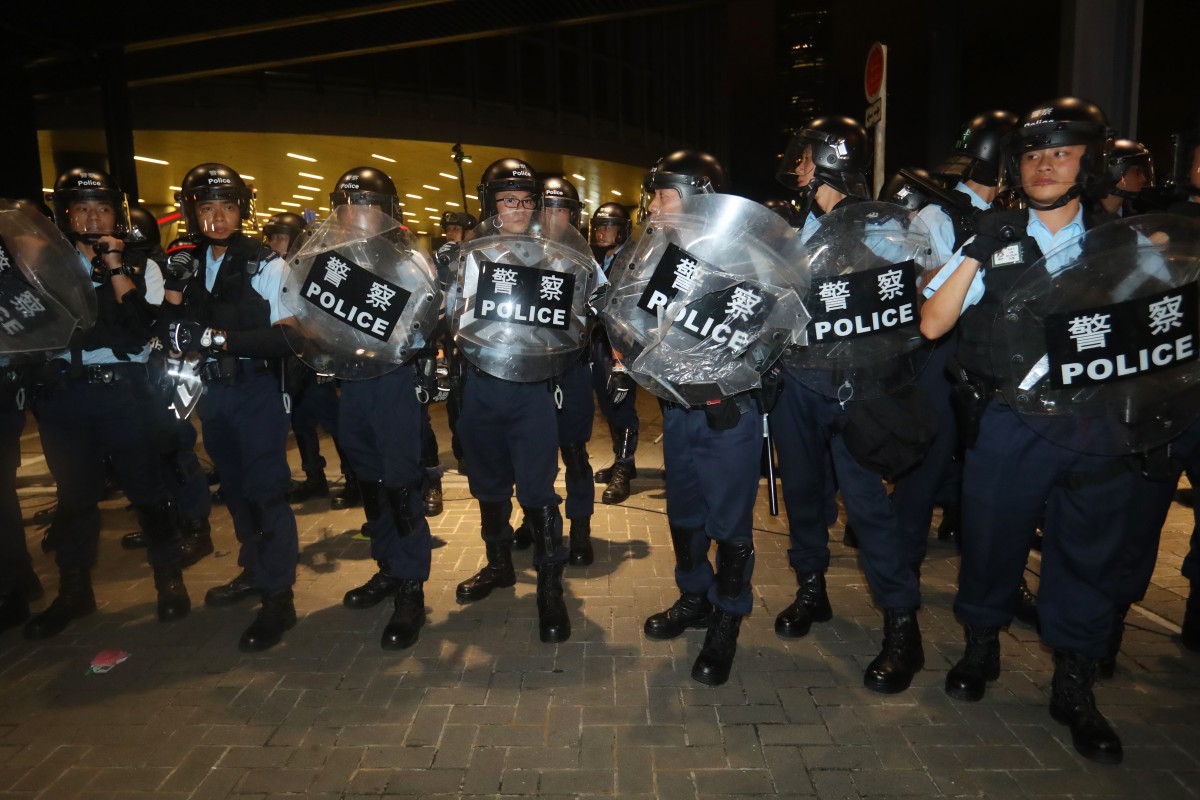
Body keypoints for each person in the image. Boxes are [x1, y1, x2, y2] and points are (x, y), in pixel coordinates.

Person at [921, 98, 1134, 764]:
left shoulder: (1122, 243)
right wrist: (976, 249)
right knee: (990, 542)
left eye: (1062, 152)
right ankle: (981, 648)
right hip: (1010, 419)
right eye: (1034, 154)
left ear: (1090, 163)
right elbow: (933, 324)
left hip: (1094, 425)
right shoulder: (995, 235)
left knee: (1088, 554)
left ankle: (1074, 684)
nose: (1045, 166)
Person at [770, 117, 931, 695]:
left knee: (867, 506)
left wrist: (846, 215)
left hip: (857, 389)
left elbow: (920, 273)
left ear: (829, 161)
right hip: (796, 387)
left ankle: (901, 624)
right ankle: (812, 590)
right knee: (804, 497)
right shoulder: (788, 226)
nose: (798, 169)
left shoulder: (888, 223)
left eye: (806, 160)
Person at [24, 168, 190, 639]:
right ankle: (75, 590)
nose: (93, 218)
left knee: (147, 489)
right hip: (63, 395)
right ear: (65, 215)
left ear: (117, 214)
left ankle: (168, 576)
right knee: (74, 497)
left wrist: (116, 266)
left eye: (103, 208)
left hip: (126, 391)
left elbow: (145, 328)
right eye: (81, 208)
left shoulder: (142, 265)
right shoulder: (43, 265)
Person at [631, 149, 764, 687]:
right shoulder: (661, 254)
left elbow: (767, 332)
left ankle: (728, 616)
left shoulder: (744, 255)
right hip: (677, 406)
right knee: (684, 514)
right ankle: (695, 597)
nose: (655, 205)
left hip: (727, 411)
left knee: (728, 523)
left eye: (665, 194)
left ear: (699, 194)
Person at [163, 162, 300, 652]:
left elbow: (289, 338)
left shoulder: (266, 263)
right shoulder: (187, 260)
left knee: (267, 493)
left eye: (227, 207)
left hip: (255, 392)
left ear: (242, 210)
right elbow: (171, 328)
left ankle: (279, 596)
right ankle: (252, 569)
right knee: (237, 492)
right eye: (206, 208)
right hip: (211, 395)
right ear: (191, 212)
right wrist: (172, 310)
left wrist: (222, 338)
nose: (217, 217)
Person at [452, 157, 575, 643]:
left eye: (526, 202)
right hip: (480, 385)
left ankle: (550, 587)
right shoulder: (469, 256)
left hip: (531, 390)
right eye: (508, 201)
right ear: (491, 205)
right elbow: (449, 317)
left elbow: (576, 321)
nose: (519, 210)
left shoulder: (555, 256)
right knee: (488, 484)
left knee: (540, 491)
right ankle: (499, 564)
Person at [323, 167, 437, 649]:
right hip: (351, 383)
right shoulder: (330, 259)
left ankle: (411, 587)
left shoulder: (408, 261)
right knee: (368, 479)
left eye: (367, 203)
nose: (357, 214)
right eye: (349, 203)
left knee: (400, 482)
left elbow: (425, 320)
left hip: (392, 382)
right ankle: (387, 566)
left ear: (387, 210)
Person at [512, 176, 595, 565]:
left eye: (563, 210)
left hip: (571, 368)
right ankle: (536, 521)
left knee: (575, 450)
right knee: (531, 453)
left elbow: (599, 312)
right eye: (548, 209)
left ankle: (580, 526)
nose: (555, 217)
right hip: (529, 370)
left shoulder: (585, 258)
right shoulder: (515, 253)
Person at [588, 202, 640, 505]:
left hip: (621, 342)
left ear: (622, 230)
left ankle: (623, 466)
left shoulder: (630, 260)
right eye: (598, 225)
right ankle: (624, 461)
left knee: (621, 403)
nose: (600, 231)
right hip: (600, 339)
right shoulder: (603, 258)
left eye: (608, 225)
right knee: (607, 404)